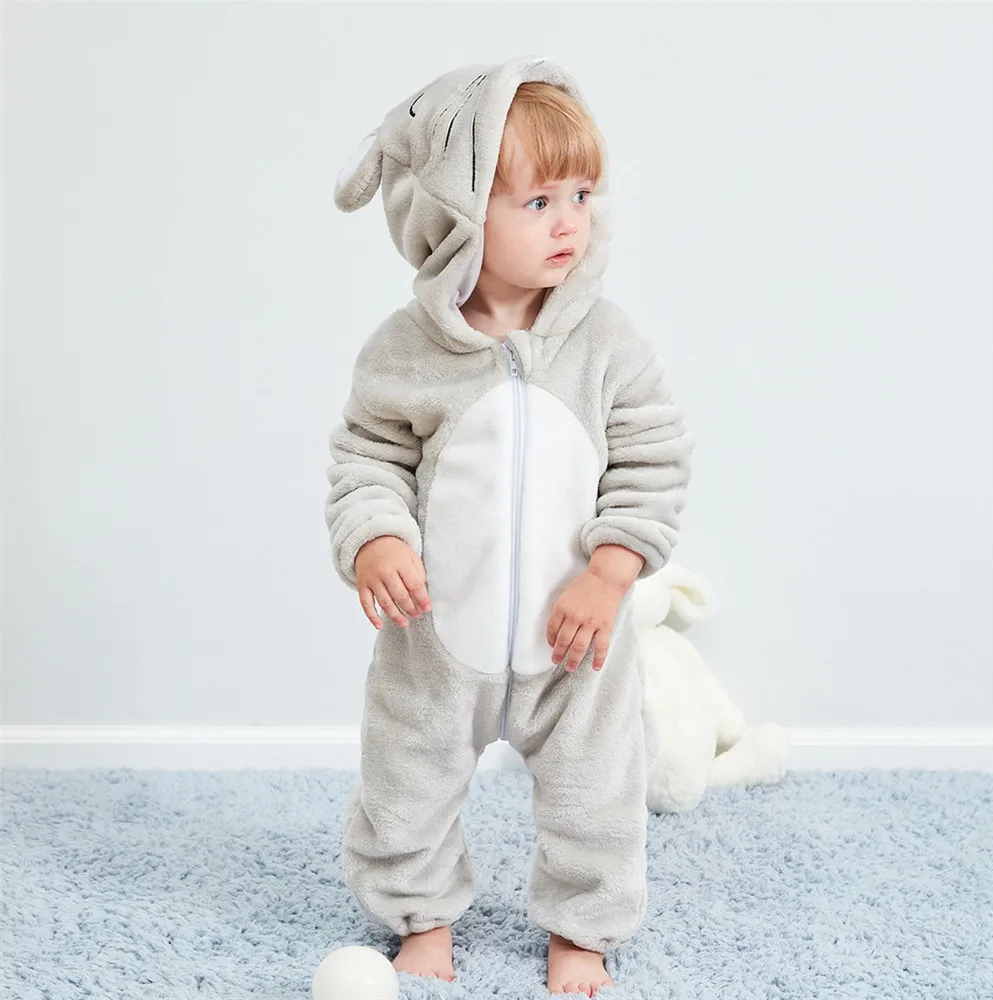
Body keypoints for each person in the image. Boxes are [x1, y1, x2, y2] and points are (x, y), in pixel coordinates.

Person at [325, 54, 695, 998]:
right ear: (457, 215)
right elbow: (367, 457)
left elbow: (653, 462)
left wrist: (610, 572)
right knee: (404, 784)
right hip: (433, 641)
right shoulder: (406, 352)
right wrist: (377, 537)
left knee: (595, 794)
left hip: (575, 646)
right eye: (537, 202)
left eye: (581, 195)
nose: (570, 221)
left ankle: (583, 929)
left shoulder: (608, 346)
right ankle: (421, 916)